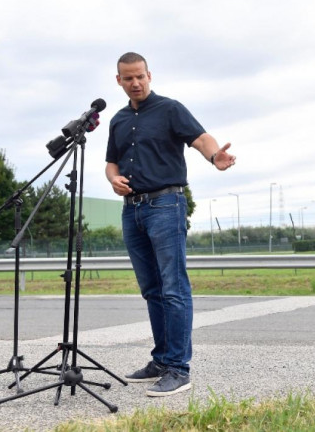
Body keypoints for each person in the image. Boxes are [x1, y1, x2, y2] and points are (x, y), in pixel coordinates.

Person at [105, 52, 235, 397]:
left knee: (174, 287)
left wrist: (214, 157)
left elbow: (201, 138)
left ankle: (179, 368)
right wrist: (113, 180)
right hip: (131, 210)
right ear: (118, 81)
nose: (135, 83)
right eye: (128, 78)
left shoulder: (170, 109)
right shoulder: (117, 120)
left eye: (140, 77)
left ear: (150, 75)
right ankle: (161, 360)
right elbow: (111, 164)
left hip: (165, 204)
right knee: (152, 290)